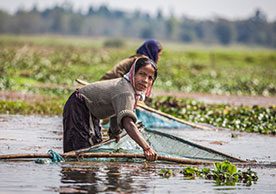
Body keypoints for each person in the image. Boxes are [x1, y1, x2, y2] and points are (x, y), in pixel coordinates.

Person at [63, 57, 158, 161]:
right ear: (133, 73)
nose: (145, 80)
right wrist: (147, 148)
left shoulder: (131, 90)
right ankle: (74, 174)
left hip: (91, 111)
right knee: (81, 150)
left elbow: (118, 112)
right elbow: (128, 123)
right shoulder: (125, 91)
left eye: (150, 78)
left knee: (93, 145)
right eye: (142, 74)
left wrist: (114, 133)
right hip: (79, 106)